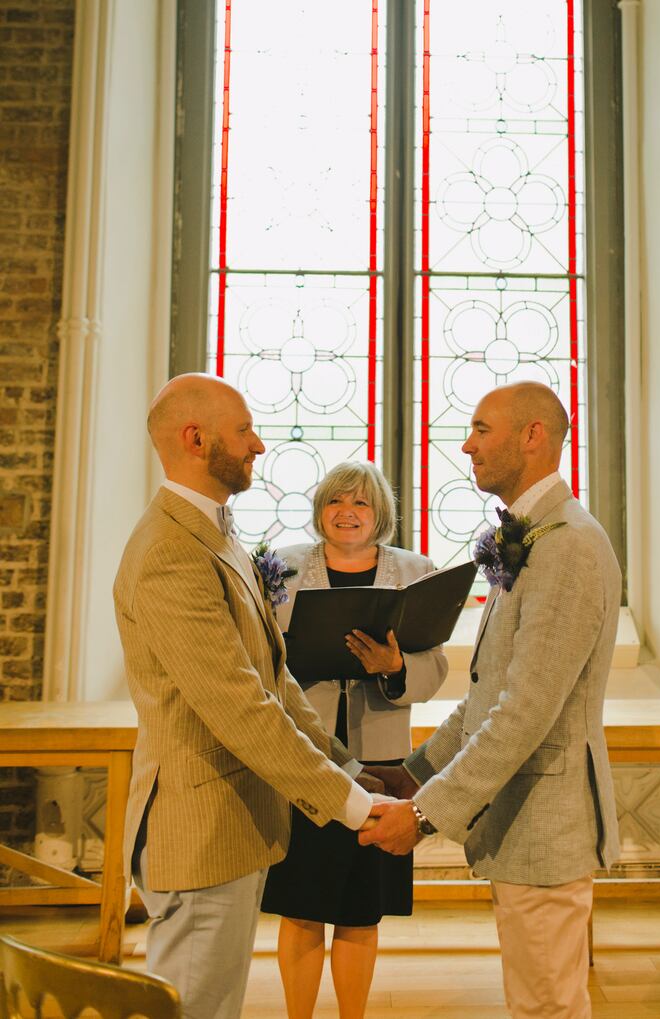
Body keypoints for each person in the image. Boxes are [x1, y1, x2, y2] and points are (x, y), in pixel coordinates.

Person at [113, 374, 381, 1019]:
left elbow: (274, 677)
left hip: (233, 821)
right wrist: (348, 804)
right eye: (243, 431)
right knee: (196, 1008)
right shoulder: (170, 551)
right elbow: (238, 705)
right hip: (199, 826)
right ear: (195, 438)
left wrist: (347, 766)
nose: (258, 444)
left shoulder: (218, 535)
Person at [360, 381, 621, 1019]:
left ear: (534, 436)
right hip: (520, 822)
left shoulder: (567, 546)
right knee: (535, 1000)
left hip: (546, 824)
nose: (465, 444)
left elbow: (525, 712)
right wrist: (411, 773)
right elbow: (487, 698)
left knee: (546, 1007)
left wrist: (423, 815)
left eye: (481, 429)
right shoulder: (535, 538)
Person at [261, 461, 448, 1019]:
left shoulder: (416, 571)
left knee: (360, 906)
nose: (347, 513)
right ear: (320, 509)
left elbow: (434, 667)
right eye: (336, 502)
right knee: (301, 903)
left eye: (361, 503)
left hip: (380, 757)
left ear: (380, 514)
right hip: (304, 753)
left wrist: (395, 666)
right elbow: (255, 651)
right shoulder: (282, 567)